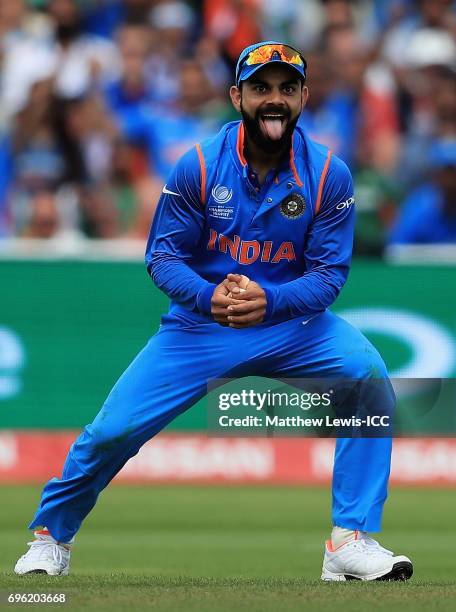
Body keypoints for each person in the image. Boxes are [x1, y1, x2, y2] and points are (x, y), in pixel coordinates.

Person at [14, 41, 413, 582]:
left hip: (292, 325)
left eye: (286, 89)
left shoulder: (329, 175)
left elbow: (328, 276)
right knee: (111, 431)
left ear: (303, 98)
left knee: (366, 378)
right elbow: (162, 257)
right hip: (200, 327)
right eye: (261, 88)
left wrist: (272, 300)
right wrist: (209, 298)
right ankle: (50, 537)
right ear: (236, 96)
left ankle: (350, 540)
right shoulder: (199, 165)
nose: (274, 100)